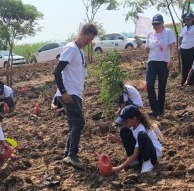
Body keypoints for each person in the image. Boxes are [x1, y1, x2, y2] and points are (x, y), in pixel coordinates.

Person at [53, 23, 99, 170]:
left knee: (74, 124)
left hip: (75, 93)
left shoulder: (79, 51)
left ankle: (68, 153)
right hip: (69, 93)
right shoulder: (71, 49)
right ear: (82, 33)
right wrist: (64, 92)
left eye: (91, 41)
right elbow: (57, 71)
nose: (88, 43)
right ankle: (72, 155)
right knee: (79, 122)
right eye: (88, 39)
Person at [108, 105, 163, 174]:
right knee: (124, 131)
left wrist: (118, 168)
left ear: (134, 119)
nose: (124, 122)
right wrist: (116, 140)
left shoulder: (141, 130)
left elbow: (135, 154)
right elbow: (134, 147)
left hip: (152, 156)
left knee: (141, 135)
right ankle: (136, 161)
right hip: (142, 151)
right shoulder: (133, 128)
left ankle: (147, 162)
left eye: (126, 120)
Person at [146, 14, 177, 119]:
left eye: (158, 23)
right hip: (152, 62)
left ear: (162, 23)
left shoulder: (168, 32)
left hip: (164, 62)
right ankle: (154, 109)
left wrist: (171, 59)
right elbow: (147, 50)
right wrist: (140, 46)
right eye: (154, 24)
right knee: (150, 85)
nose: (156, 26)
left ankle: (160, 111)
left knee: (161, 87)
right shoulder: (150, 34)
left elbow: (173, 46)